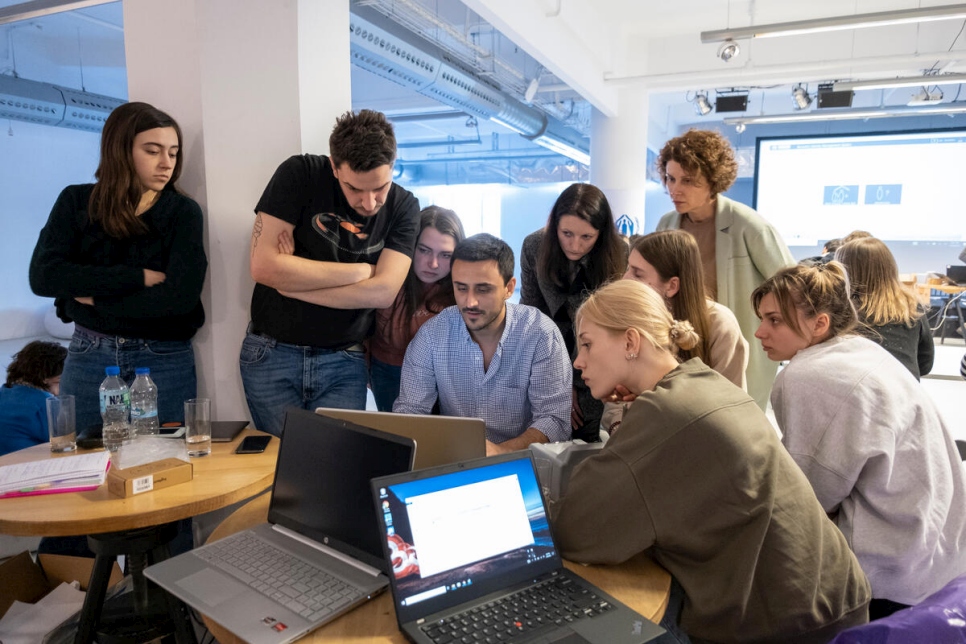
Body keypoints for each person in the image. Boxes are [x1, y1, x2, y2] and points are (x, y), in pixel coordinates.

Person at [554, 280, 870, 643]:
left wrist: (636, 424)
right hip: (833, 602)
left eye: (588, 344)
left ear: (630, 342)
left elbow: (574, 529)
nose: (578, 361)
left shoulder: (665, 413)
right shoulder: (704, 382)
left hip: (785, 628)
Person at [753, 263, 966, 619]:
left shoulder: (806, 375)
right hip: (942, 555)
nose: (760, 332)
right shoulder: (860, 349)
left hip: (892, 577)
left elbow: (806, 501)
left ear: (820, 323)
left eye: (774, 320)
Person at [29, 102, 207, 437]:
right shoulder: (76, 202)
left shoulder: (182, 212)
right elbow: (44, 276)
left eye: (173, 152)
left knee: (165, 463)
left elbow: (178, 299)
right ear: (121, 151)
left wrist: (94, 298)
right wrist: (135, 277)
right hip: (89, 353)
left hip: (162, 355)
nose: (166, 163)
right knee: (84, 459)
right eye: (152, 151)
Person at [241, 109, 419, 437]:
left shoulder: (404, 207)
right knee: (280, 472)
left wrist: (292, 283)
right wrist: (361, 271)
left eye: (380, 187)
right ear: (333, 166)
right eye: (355, 189)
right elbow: (263, 267)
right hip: (271, 353)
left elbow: (383, 293)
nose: (369, 203)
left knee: (334, 472)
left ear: (393, 166)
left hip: (344, 360)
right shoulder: (300, 174)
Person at [394, 233, 571, 455]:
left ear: (509, 288)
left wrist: (499, 452)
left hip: (523, 462)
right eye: (461, 288)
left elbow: (554, 420)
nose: (470, 302)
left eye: (483, 289)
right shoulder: (431, 336)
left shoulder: (540, 335)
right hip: (454, 459)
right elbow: (410, 412)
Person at [655, 129, 794, 409]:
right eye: (670, 178)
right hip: (679, 346)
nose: (674, 189)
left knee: (733, 422)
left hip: (732, 346)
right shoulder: (666, 224)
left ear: (713, 181)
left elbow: (792, 287)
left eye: (688, 181)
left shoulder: (749, 225)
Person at [520, 183, 625, 442]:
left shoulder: (619, 254)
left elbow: (609, 330)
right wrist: (560, 385)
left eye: (586, 237)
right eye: (566, 233)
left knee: (589, 441)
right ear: (554, 225)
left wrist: (578, 384)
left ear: (601, 234)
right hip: (546, 366)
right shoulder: (534, 246)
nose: (575, 245)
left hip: (597, 367)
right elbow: (532, 320)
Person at [369, 206, 465, 411]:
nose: (433, 263)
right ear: (411, 245)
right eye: (424, 250)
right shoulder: (388, 274)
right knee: (397, 439)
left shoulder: (462, 291)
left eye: (445, 255)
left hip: (443, 378)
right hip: (387, 370)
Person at [624, 230, 747, 389]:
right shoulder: (630, 318)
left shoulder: (720, 324)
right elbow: (616, 403)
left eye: (637, 274)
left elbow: (730, 402)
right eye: (627, 268)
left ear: (672, 286)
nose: (624, 279)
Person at [834, 237, 934, 379]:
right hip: (906, 392)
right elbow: (925, 364)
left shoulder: (840, 308)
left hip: (857, 391)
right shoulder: (911, 306)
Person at [0, 341, 67, 457]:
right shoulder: (45, 403)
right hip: (23, 462)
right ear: (45, 378)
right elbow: (63, 442)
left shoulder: (5, 390)